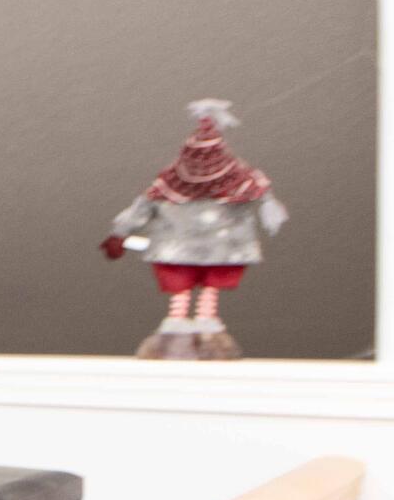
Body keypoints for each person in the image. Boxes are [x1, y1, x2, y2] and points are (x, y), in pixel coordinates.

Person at [101, 98, 287, 357]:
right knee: (193, 285)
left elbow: (142, 207)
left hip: (193, 249)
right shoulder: (239, 182)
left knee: (190, 285)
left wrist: (120, 233)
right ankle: (196, 321)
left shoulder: (174, 184)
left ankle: (194, 321)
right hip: (212, 249)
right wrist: (120, 232)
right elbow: (142, 207)